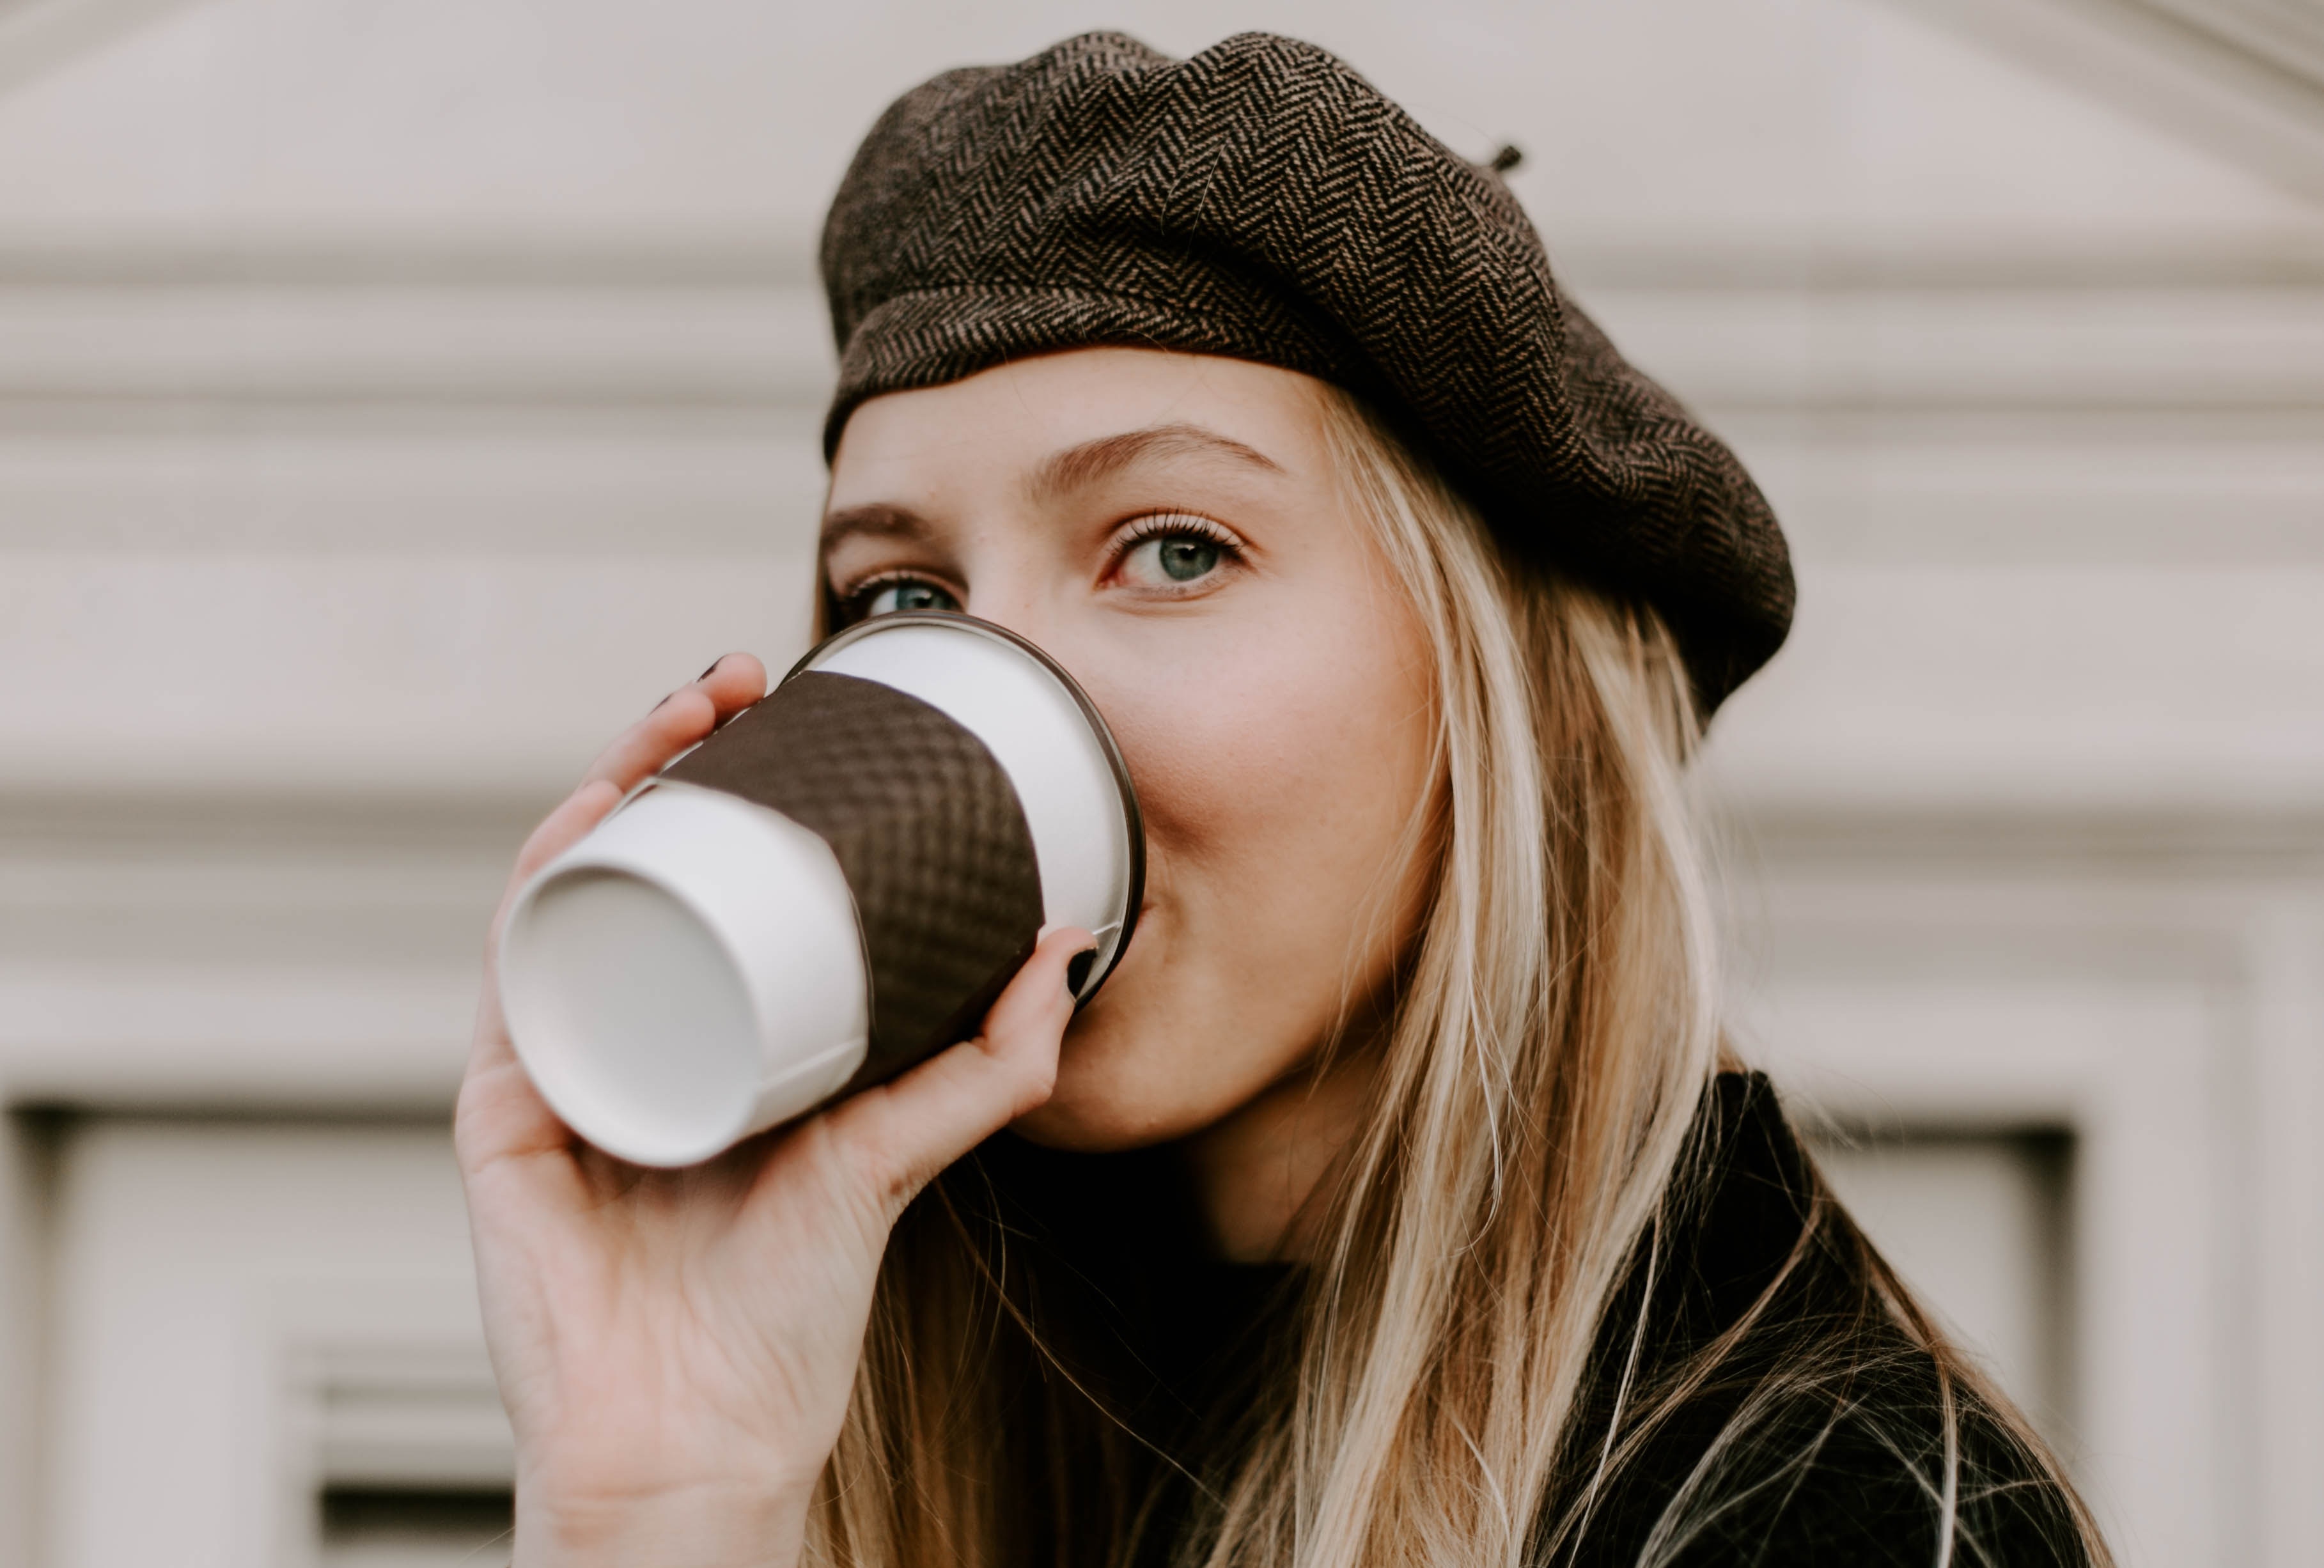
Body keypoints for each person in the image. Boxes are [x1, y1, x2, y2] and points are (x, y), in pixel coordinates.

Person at [456, 31, 2107, 1568]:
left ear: (1498, 697)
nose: (985, 694)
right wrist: (662, 1502)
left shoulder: (1822, 1518)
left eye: (1175, 550)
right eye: (900, 599)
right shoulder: (1005, 1428)